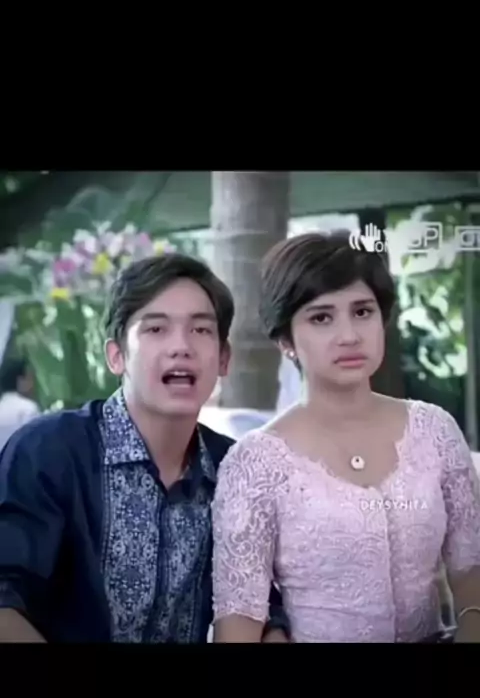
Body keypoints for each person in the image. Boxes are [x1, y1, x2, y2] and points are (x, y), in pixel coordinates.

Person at [0, 252, 290, 643]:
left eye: (201, 330)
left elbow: (264, 603)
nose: (181, 346)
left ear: (223, 358)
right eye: (156, 329)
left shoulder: (235, 468)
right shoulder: (48, 451)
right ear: (116, 356)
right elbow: (5, 595)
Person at [211, 231, 480, 643]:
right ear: (286, 339)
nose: (350, 335)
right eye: (321, 318)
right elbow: (239, 617)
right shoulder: (255, 462)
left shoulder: (434, 430)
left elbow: (470, 564)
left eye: (362, 312)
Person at [0, 357, 40, 451]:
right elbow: (35, 444)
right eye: (30, 378)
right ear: (20, 381)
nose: (33, 384)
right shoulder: (27, 409)